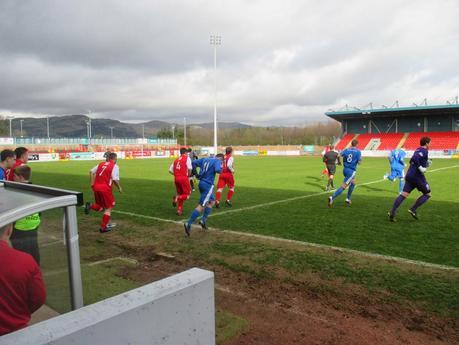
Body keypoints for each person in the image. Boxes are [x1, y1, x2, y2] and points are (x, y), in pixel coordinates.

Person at [0, 224, 46, 336]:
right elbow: (38, 299)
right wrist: (16, 314)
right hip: (17, 333)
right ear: (10, 229)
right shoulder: (26, 261)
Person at [388, 137, 432, 222]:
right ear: (426, 143)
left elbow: (413, 160)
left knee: (404, 194)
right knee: (427, 194)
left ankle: (392, 211)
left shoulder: (418, 149)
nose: (430, 144)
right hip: (417, 176)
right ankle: (413, 209)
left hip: (410, 175)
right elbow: (414, 159)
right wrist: (421, 168)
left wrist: (426, 165)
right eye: (430, 143)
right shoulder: (424, 150)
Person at [183, 154, 224, 237]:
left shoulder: (205, 159)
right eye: (222, 161)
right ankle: (188, 223)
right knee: (201, 205)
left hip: (201, 183)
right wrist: (221, 168)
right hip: (208, 185)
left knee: (212, 201)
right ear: (221, 159)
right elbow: (218, 170)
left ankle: (203, 220)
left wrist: (196, 174)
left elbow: (193, 163)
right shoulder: (217, 161)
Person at [10, 166, 41, 265]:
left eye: (15, 176)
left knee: (21, 256)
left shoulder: (16, 192)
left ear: (21, 177)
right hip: (33, 226)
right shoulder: (36, 189)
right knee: (34, 252)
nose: (13, 178)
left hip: (19, 230)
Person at [84, 152, 122, 233]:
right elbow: (115, 179)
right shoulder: (115, 166)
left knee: (101, 207)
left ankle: (91, 206)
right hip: (105, 189)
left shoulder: (100, 164)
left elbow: (91, 172)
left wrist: (92, 183)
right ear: (115, 159)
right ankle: (103, 228)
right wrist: (119, 188)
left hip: (96, 188)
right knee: (108, 208)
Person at [328, 139, 361, 207]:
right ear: (357, 144)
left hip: (345, 170)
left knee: (353, 183)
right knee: (344, 186)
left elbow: (338, 155)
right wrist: (359, 161)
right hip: (351, 171)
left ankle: (348, 199)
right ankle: (332, 198)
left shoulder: (347, 150)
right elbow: (359, 162)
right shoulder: (358, 151)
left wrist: (339, 162)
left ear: (351, 144)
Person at [169, 147, 192, 216]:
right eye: (187, 152)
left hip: (176, 179)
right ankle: (177, 198)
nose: (188, 153)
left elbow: (170, 170)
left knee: (181, 194)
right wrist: (188, 175)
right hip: (184, 178)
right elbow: (190, 168)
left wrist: (176, 174)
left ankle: (179, 210)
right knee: (187, 195)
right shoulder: (187, 158)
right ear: (185, 153)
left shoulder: (176, 160)